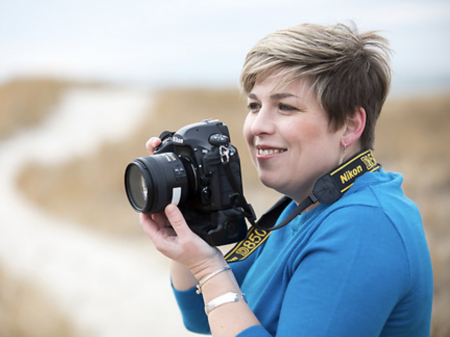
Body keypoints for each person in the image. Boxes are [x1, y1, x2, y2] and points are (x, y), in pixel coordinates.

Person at [140, 22, 433, 336]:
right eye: (254, 105)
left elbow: (218, 298)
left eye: (285, 107)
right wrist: (188, 220)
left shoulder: (364, 225)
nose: (258, 126)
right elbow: (204, 316)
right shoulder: (306, 206)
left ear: (349, 125)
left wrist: (209, 270)